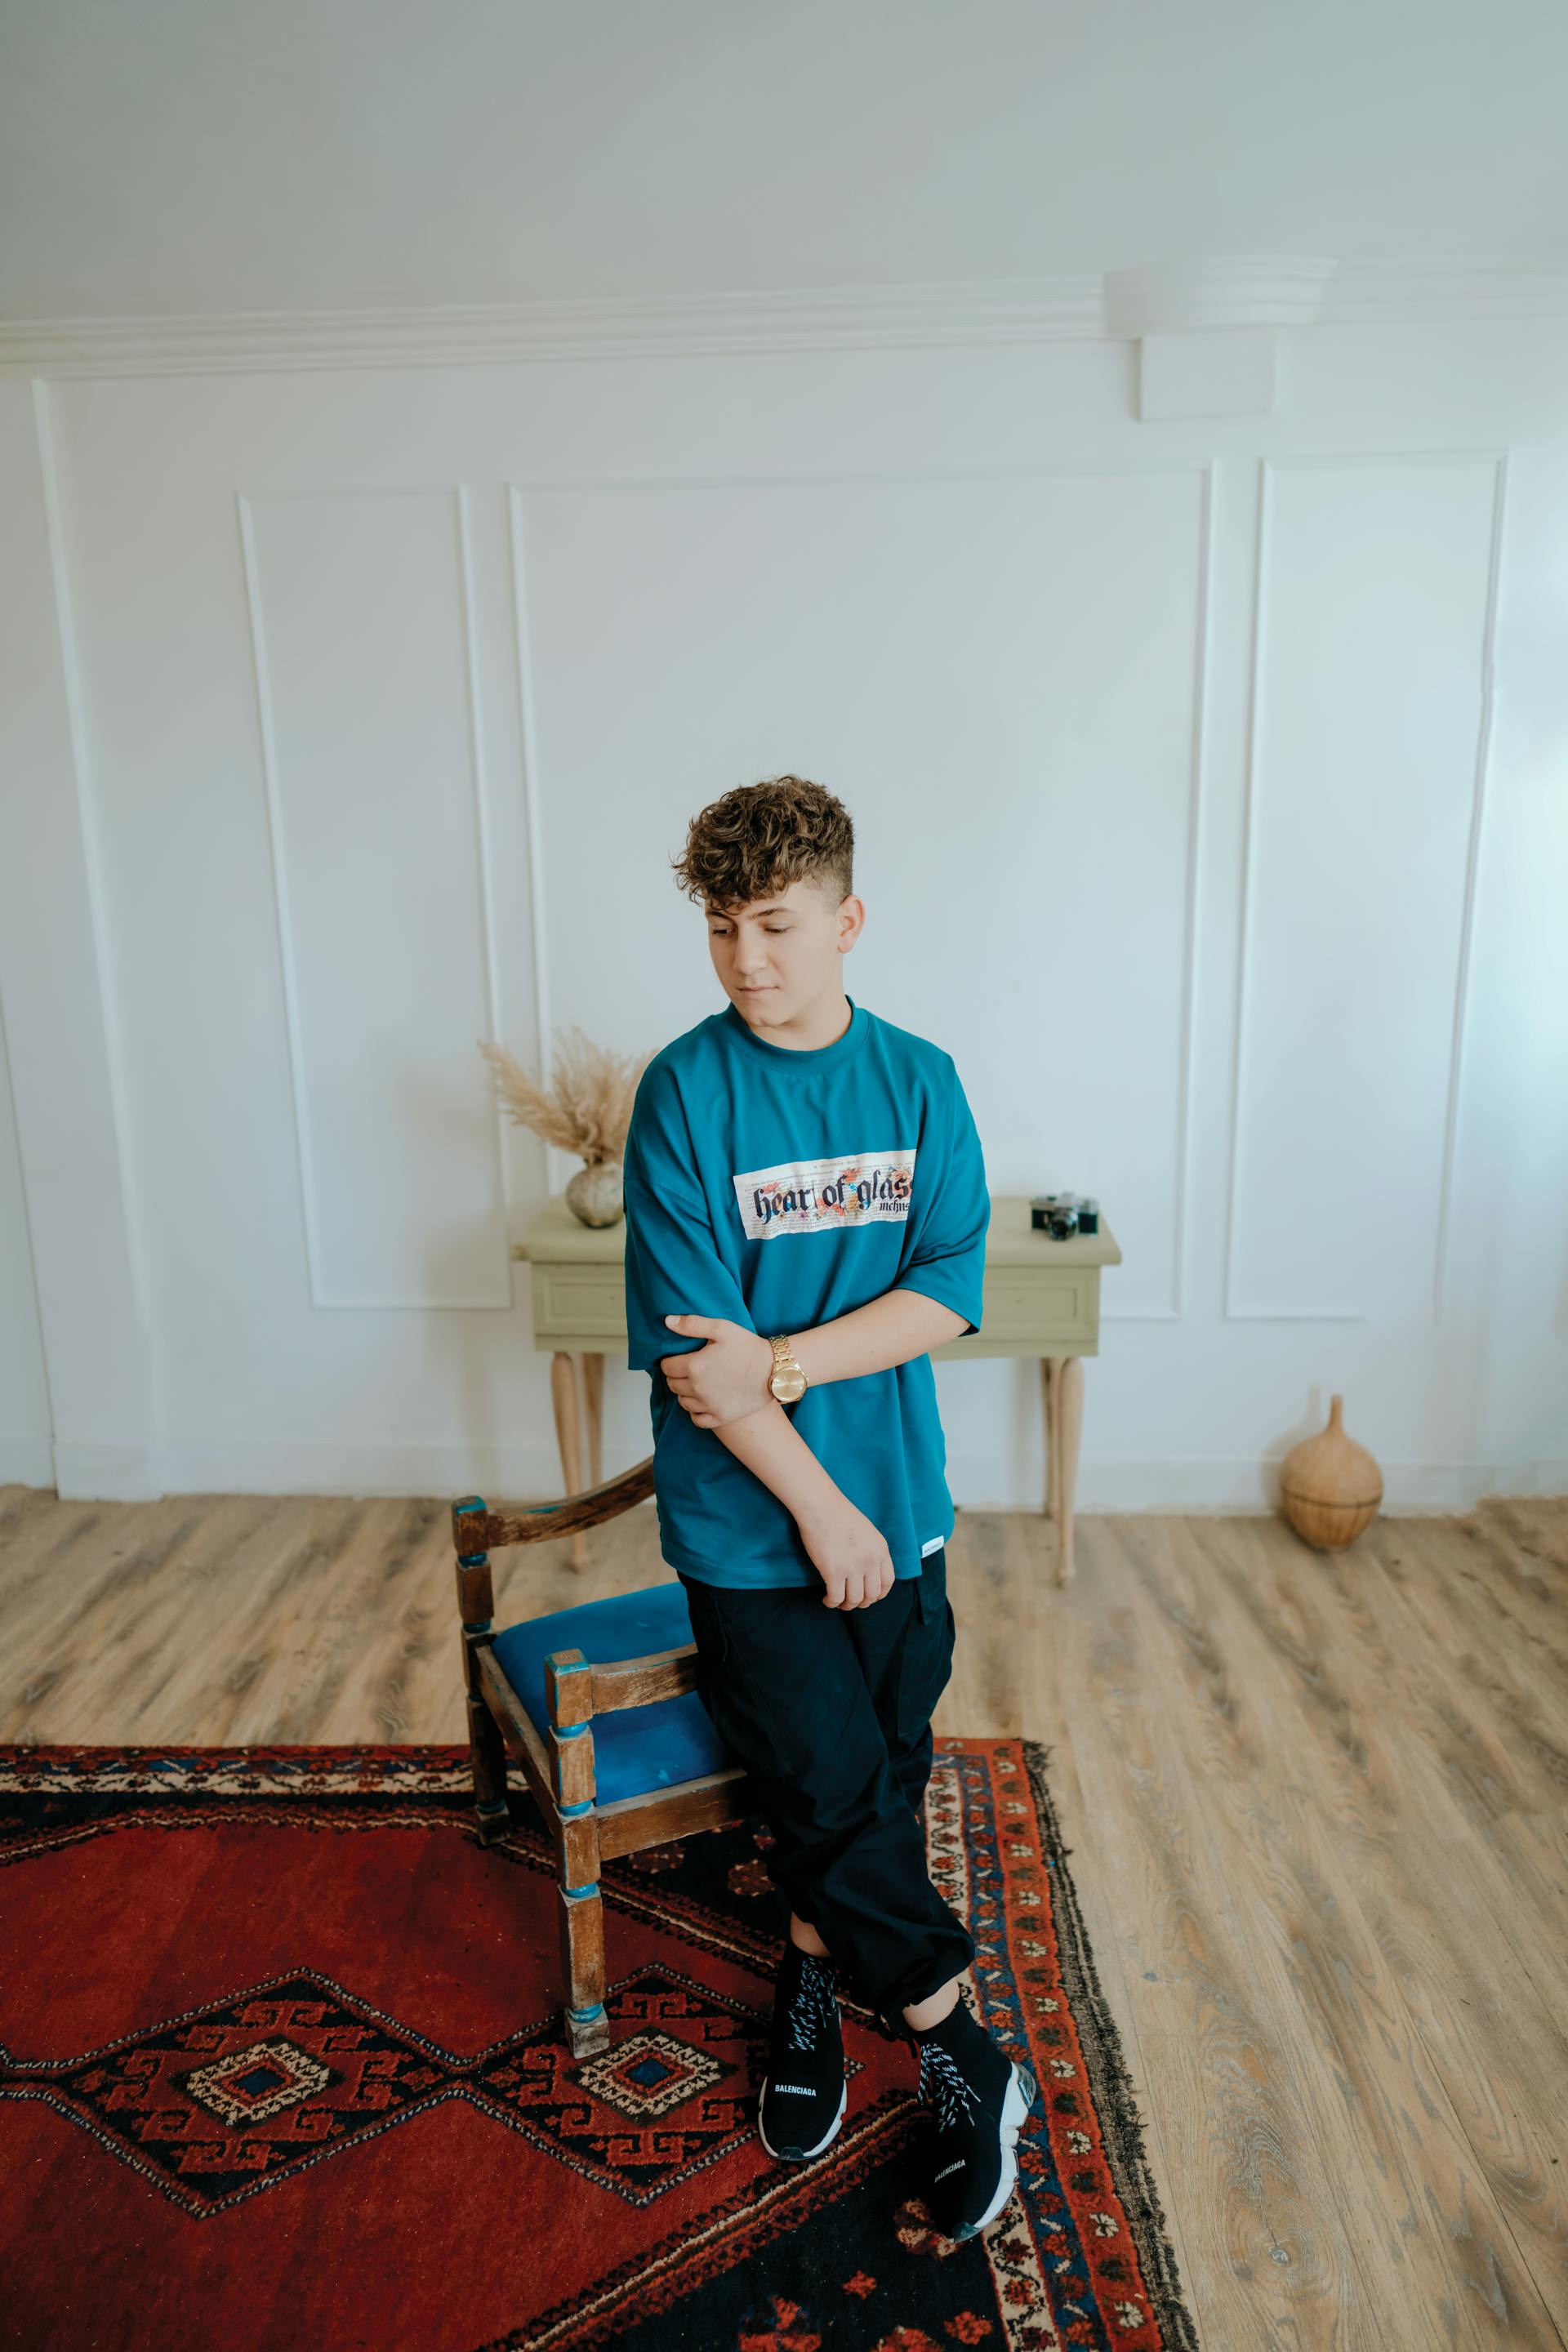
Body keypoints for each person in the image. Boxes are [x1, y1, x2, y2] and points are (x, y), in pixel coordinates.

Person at [620, 773, 1037, 2243]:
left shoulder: (918, 1080)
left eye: (777, 925)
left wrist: (786, 1361)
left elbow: (948, 1291)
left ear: (848, 920)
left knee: (873, 1777)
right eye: (724, 927)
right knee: (817, 1778)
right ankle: (962, 2052)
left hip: (901, 1502)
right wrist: (820, 1512)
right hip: (751, 1529)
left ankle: (811, 1966)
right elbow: (695, 1371)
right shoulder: (684, 1092)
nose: (747, 960)